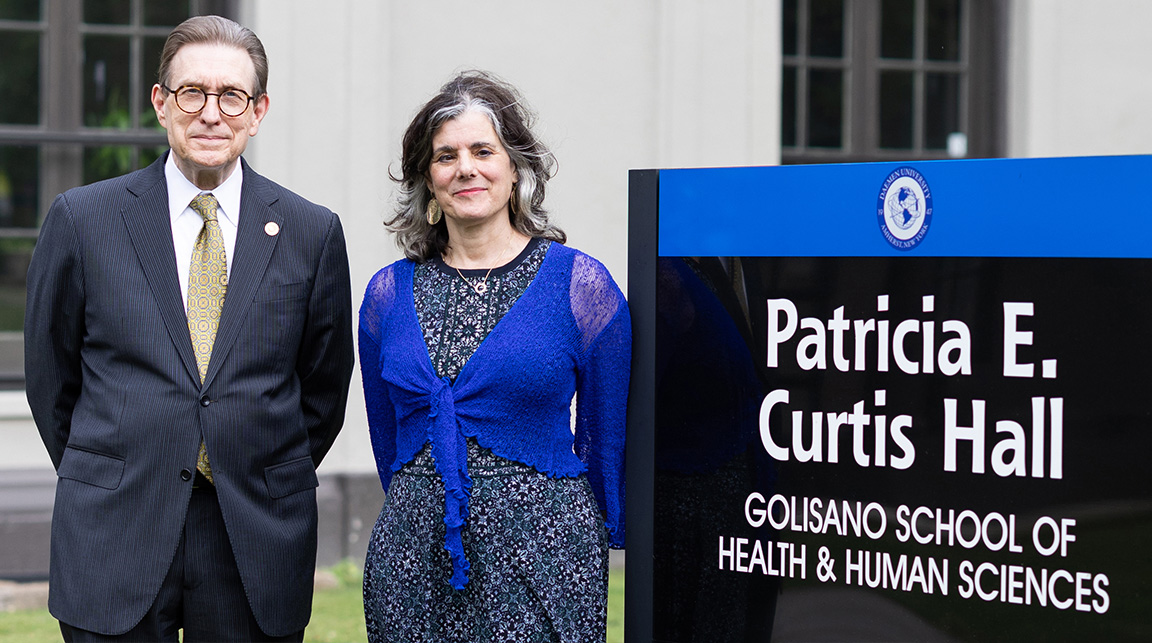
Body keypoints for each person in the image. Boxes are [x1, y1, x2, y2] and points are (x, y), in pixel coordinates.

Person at [24, 15, 354, 642]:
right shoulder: (83, 220)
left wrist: (251, 461)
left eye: (231, 96)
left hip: (253, 533)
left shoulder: (311, 232)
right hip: (115, 525)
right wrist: (116, 463)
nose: (210, 113)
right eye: (192, 93)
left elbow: (323, 389)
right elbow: (49, 377)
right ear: (161, 103)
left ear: (257, 112)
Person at [358, 70, 630, 642]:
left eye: (483, 151)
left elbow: (605, 438)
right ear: (427, 180)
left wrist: (593, 539)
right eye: (446, 156)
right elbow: (389, 442)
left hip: (545, 557)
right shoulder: (387, 295)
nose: (466, 168)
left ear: (516, 169)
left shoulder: (579, 286)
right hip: (412, 562)